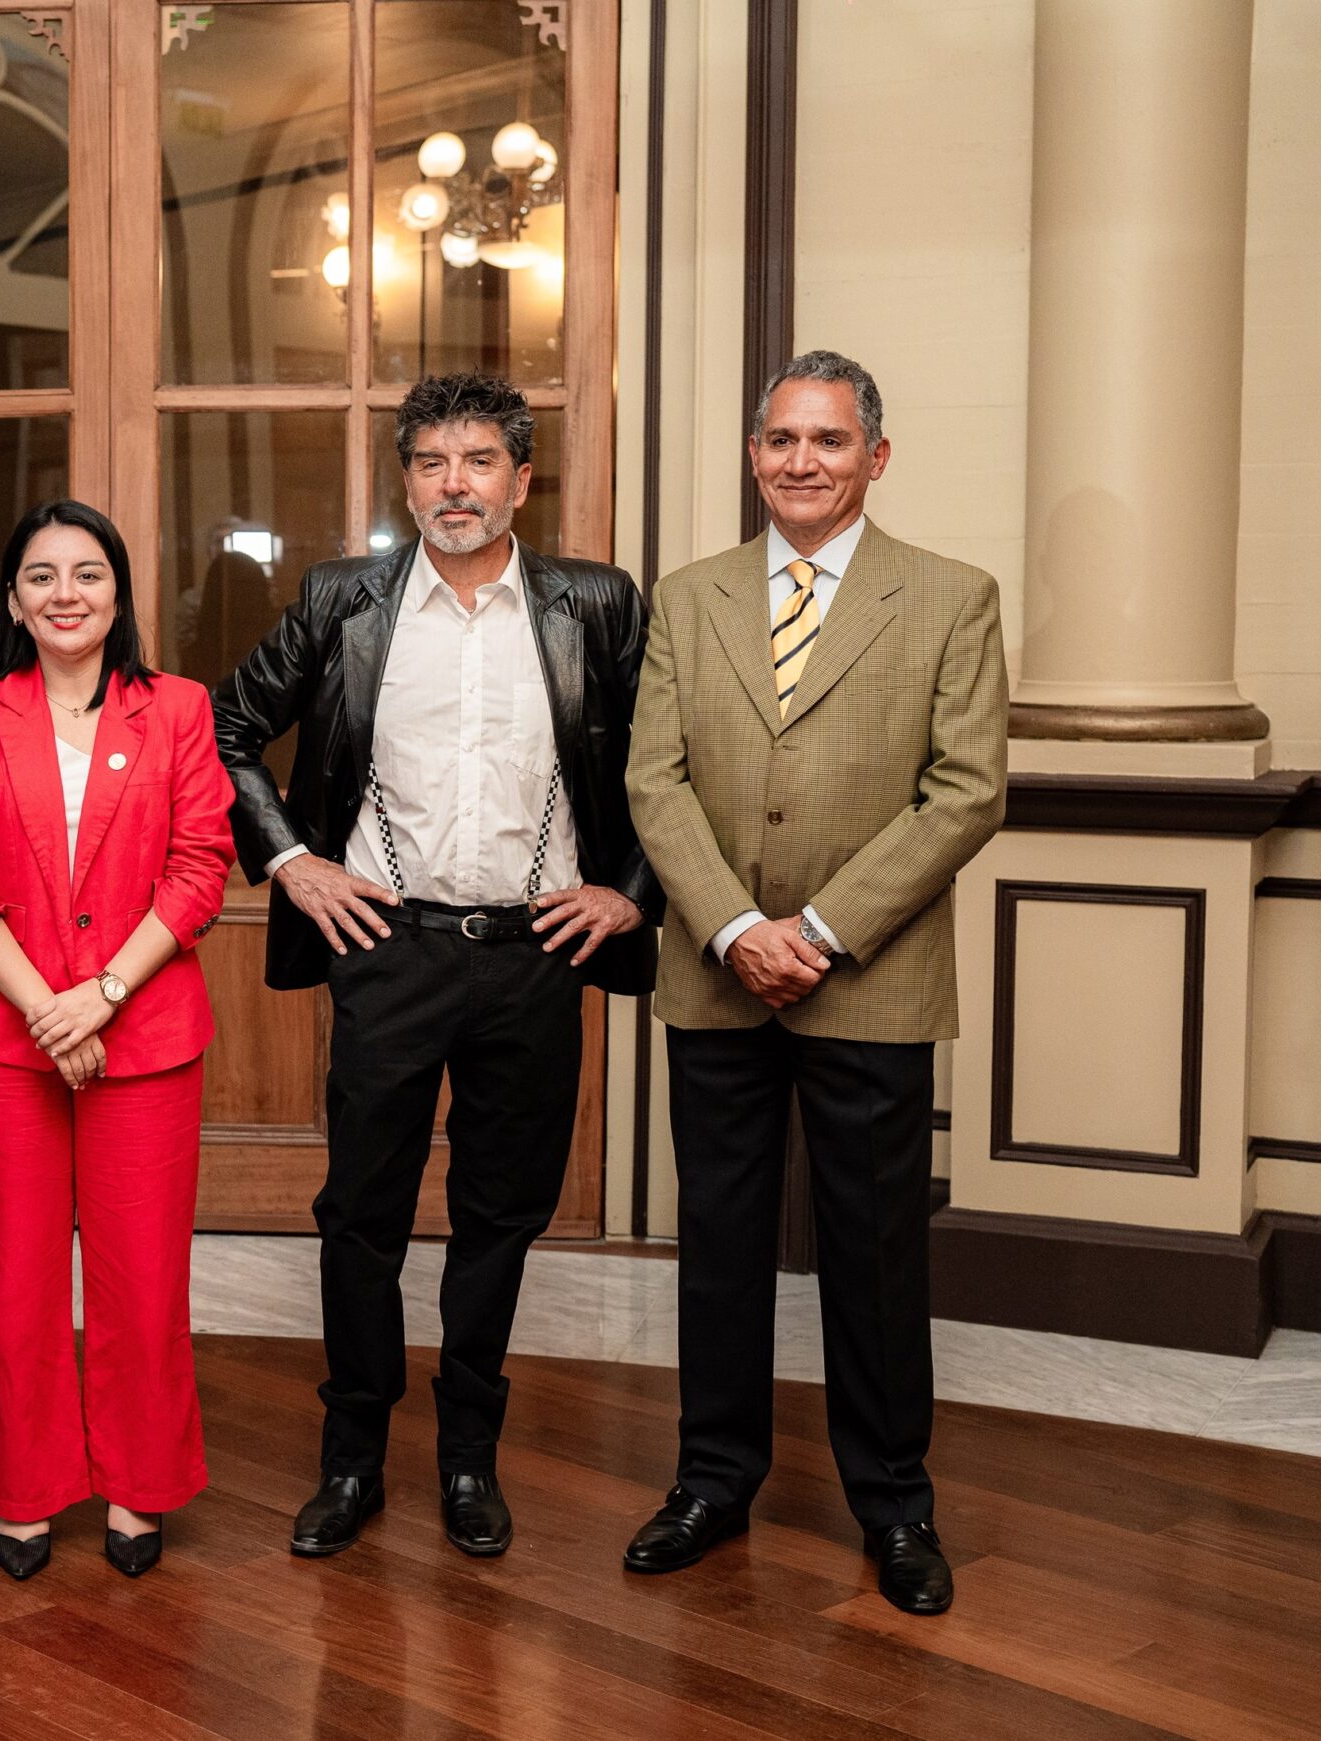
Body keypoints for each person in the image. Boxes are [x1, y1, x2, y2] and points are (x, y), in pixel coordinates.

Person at [210, 373, 658, 1562]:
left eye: (476, 462)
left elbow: (676, 760)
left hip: (536, 954)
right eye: (428, 463)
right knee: (359, 1213)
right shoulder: (342, 600)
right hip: (387, 950)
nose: (452, 486)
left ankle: (468, 1460)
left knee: (499, 1216)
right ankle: (350, 1459)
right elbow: (225, 729)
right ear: (403, 480)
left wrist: (632, 892)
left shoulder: (595, 605)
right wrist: (293, 858)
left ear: (521, 480)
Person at [621, 349, 1007, 1615]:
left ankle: (895, 1505)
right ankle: (710, 1480)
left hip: (871, 979)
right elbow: (653, 781)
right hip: (716, 973)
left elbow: (964, 792)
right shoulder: (687, 598)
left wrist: (822, 930)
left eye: (828, 442)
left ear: (874, 459)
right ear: (753, 455)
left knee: (875, 1250)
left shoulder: (951, 598)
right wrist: (735, 925)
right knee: (720, 1244)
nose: (800, 461)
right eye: (780, 439)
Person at [0, 500, 236, 1581]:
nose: (66, 594)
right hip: (5, 1044)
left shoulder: (179, 708)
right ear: (12, 598)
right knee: (10, 1285)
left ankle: (139, 1487)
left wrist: (97, 997)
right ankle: (23, 1490)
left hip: (140, 1034)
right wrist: (45, 1009)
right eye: (42, 576)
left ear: (118, 594)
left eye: (88, 574)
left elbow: (201, 866)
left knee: (140, 1284)